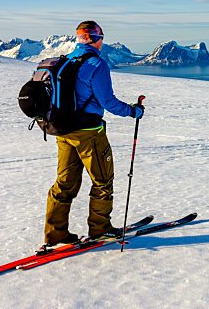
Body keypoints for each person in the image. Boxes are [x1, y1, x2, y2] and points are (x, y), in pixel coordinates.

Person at [43, 20, 144, 247]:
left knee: (65, 182)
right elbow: (108, 102)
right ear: (98, 39)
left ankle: (55, 233)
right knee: (102, 181)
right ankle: (100, 229)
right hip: (89, 132)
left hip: (63, 130)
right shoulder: (96, 64)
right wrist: (133, 112)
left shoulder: (64, 61)